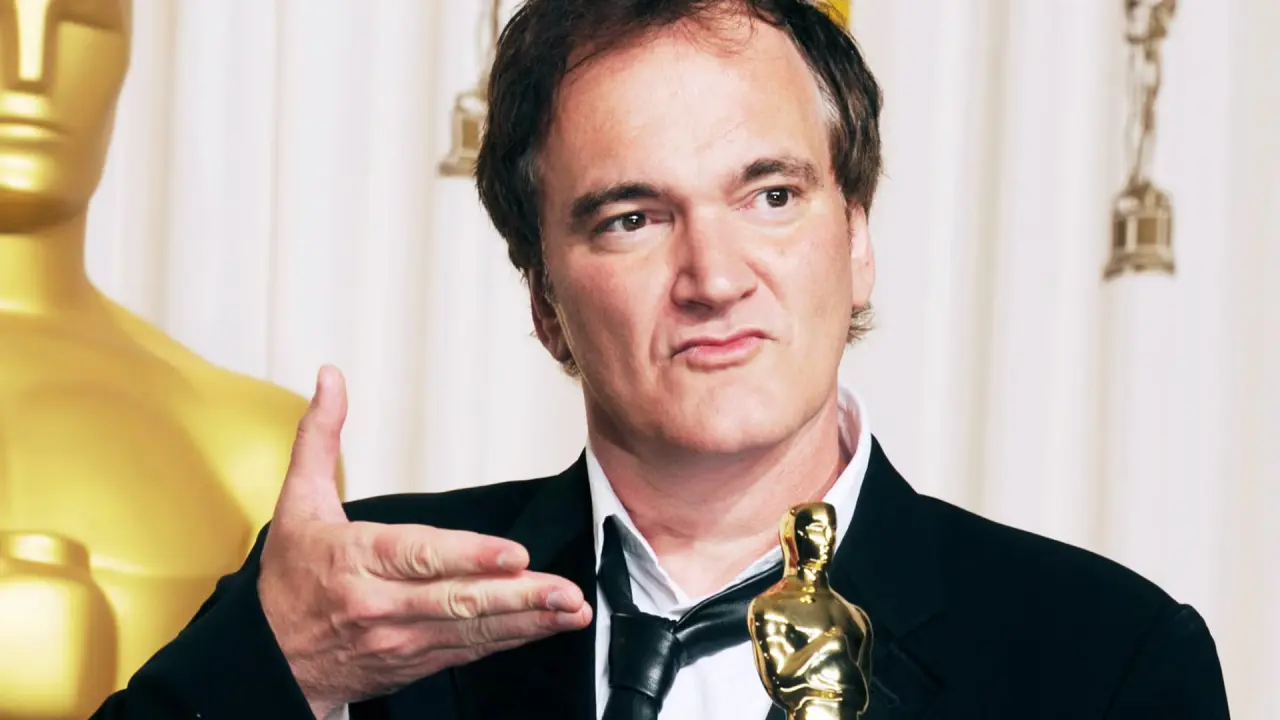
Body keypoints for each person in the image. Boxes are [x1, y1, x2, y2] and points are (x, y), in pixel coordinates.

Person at [91, 0, 1230, 718]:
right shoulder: (362, 611)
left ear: (858, 242)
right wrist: (275, 668)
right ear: (544, 303)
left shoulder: (1105, 660)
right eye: (631, 218)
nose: (714, 276)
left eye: (770, 196)